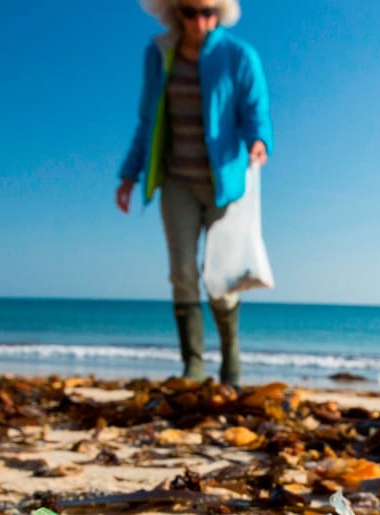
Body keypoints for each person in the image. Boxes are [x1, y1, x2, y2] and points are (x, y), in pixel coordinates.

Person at [116, 0, 271, 386]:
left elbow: (256, 108)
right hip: (176, 180)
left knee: (221, 274)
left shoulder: (239, 55)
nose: (201, 21)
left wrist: (259, 140)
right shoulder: (159, 54)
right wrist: (129, 174)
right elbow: (147, 120)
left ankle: (231, 362)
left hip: (225, 182)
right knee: (182, 272)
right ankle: (193, 365)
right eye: (191, 11)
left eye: (209, 12)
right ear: (174, 13)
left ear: (220, 13)